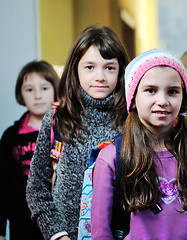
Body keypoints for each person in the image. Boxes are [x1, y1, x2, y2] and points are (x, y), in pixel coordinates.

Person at [91, 49, 187, 239]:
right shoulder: (112, 158)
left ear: (182, 99)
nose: (162, 101)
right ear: (133, 98)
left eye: (172, 91)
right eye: (150, 90)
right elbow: (101, 233)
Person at [26, 26, 129, 240]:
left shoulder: (132, 121)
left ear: (121, 71)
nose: (100, 76)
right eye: (90, 67)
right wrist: (57, 235)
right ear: (75, 69)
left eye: (109, 68)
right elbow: (36, 189)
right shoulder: (56, 118)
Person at [0, 60, 59, 240]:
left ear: (55, 90)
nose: (37, 95)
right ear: (20, 94)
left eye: (44, 88)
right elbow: (0, 189)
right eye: (29, 89)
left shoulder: (64, 132)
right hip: (22, 227)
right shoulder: (10, 137)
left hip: (60, 227)